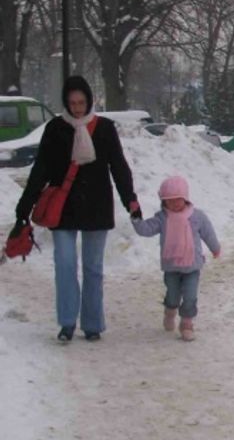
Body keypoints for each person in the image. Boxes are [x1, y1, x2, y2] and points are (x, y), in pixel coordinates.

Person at [10, 75, 139, 343]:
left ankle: (92, 324)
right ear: (66, 103)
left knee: (93, 267)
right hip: (63, 207)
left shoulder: (103, 128)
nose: (77, 108)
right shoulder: (55, 129)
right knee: (65, 264)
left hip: (96, 204)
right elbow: (40, 170)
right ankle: (67, 322)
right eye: (72, 103)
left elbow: (118, 166)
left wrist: (131, 201)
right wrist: (24, 208)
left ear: (89, 100)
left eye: (81, 102)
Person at [131, 176, 221, 341]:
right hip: (171, 266)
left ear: (185, 198)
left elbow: (208, 233)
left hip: (192, 265)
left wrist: (215, 248)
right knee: (173, 295)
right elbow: (145, 230)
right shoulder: (162, 218)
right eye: (169, 201)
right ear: (163, 202)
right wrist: (136, 217)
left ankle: (186, 324)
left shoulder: (197, 216)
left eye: (177, 200)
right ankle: (170, 310)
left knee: (190, 296)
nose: (174, 204)